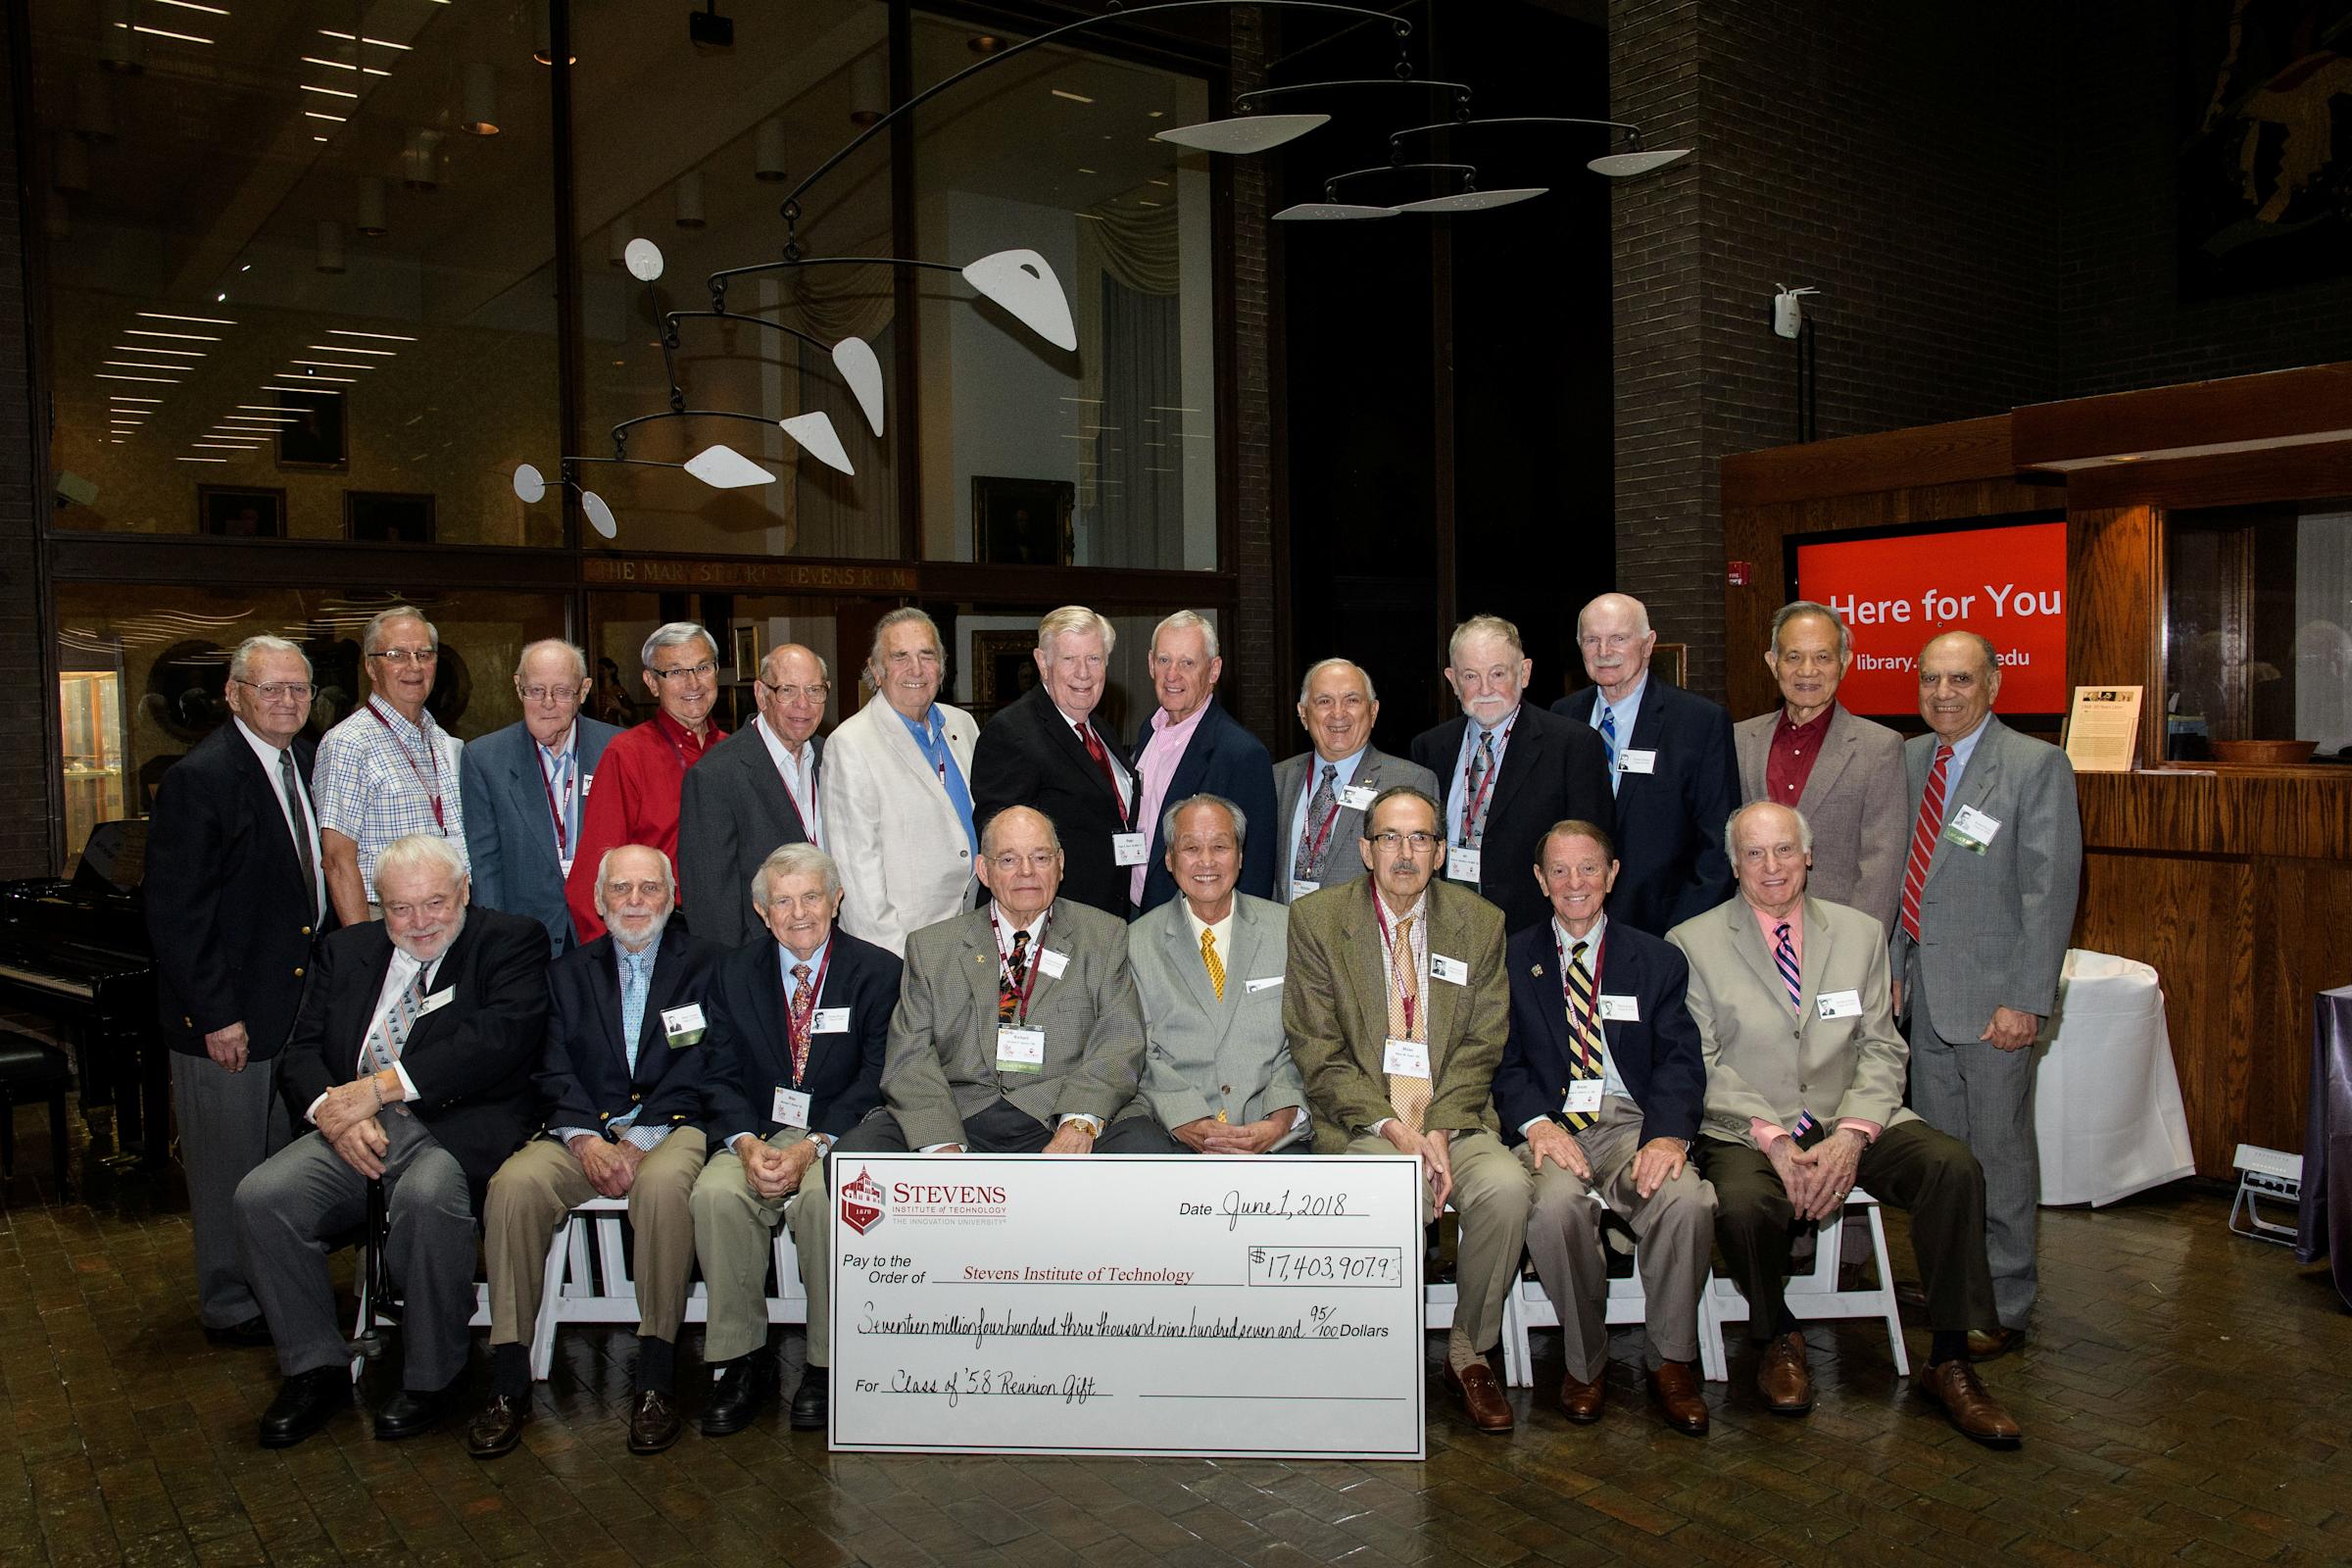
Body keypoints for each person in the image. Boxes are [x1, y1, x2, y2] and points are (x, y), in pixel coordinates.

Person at [1669, 802, 2021, 1446]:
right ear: (1734, 864)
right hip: (1750, 1123)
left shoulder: (1860, 934)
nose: (1770, 866)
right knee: (1744, 1205)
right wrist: (1774, 1141)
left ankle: (1949, 1358)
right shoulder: (1692, 943)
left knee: (1952, 1167)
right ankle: (1777, 1333)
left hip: (1848, 1111)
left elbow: (1883, 1047)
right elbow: (1703, 1064)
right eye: (1754, 853)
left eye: (1783, 851)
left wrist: (1855, 1134)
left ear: (1808, 857)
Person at [233, 835, 549, 1447]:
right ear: (379, 906)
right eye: (401, 908)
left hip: (451, 1126)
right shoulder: (346, 951)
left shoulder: (509, 941)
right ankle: (315, 1367)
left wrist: (379, 1090)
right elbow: (299, 1052)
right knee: (261, 1197)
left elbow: (498, 1040)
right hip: (351, 1129)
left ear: (464, 891)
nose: (420, 921)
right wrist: (336, 1114)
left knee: (428, 1196)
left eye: (435, 902)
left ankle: (433, 1375)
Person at [1284, 787, 1532, 1434]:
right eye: (1389, 837)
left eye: (1420, 838)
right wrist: (1397, 1131)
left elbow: (1484, 1044)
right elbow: (1319, 1051)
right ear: (1365, 849)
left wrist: (1441, 1131)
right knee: (1386, 1188)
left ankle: (1468, 1350)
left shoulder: (1480, 923)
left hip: (1456, 1118)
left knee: (1507, 1188)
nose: (1404, 852)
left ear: (1441, 851)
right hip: (1369, 1124)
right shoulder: (1317, 921)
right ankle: (1377, 1358)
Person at [467, 846, 719, 1459]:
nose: (635, 902)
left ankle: (656, 1375)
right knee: (514, 1185)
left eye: (649, 889)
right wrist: (584, 1139)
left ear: (671, 895)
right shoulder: (564, 975)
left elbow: (706, 1065)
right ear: (598, 900)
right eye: (621, 890)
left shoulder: (709, 967)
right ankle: (508, 1380)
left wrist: (641, 1140)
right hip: (581, 1133)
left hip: (672, 1125)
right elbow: (550, 1069)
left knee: (663, 1188)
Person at [1890, 631, 2082, 1357]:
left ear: (1994, 684)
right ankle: (1955, 1294)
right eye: (1931, 679)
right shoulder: (1907, 761)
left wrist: (2028, 999)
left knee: (1997, 1158)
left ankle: (2003, 1304)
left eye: (1960, 679)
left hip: (1995, 1003)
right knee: (1948, 1164)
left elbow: (2049, 891)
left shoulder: (2036, 766)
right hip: (1925, 1003)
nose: (1944, 693)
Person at [146, 634, 337, 1348]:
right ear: (233, 695)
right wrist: (215, 1016)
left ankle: (274, 1287)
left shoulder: (308, 763)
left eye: (298, 690)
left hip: (289, 1011)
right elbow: (176, 913)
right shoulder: (202, 777)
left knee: (275, 1170)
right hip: (226, 1019)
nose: (287, 701)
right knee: (228, 1169)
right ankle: (229, 1303)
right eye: (270, 689)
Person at [1494, 820, 1713, 1434]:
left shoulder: (1658, 959)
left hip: (1631, 1124)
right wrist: (1536, 1126)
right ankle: (1584, 1363)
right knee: (1554, 1210)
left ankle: (1671, 1360)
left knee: (1686, 1201)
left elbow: (1679, 1059)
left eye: (1589, 868)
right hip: (1551, 1126)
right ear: (1540, 881)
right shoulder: (1512, 958)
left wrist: (1668, 1137)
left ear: (1613, 874)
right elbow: (1501, 1062)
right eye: (1559, 871)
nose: (1575, 883)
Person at [691, 843, 898, 1436]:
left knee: (822, 1202)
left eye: (811, 896)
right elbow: (718, 1071)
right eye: (783, 901)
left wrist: (815, 1144)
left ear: (836, 899)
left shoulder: (878, 971)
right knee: (716, 1196)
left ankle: (827, 1364)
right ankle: (740, 1360)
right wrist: (745, 1145)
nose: (799, 912)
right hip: (756, 1130)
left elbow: (877, 1075)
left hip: (840, 1129)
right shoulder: (732, 974)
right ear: (762, 911)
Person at [834, 806, 1163, 1155]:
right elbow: (909, 1057)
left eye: (1040, 857)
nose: (1027, 872)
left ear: (1061, 863)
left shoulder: (1103, 935)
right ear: (984, 870)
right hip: (960, 1113)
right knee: (858, 1153)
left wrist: (1080, 1121)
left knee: (1147, 1149)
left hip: (1057, 1110)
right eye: (1008, 860)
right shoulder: (931, 947)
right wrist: (940, 1142)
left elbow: (1120, 1040)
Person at [1120, 796, 1307, 1152]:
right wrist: (1185, 1118)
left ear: (1239, 856)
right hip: (1173, 1133)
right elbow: (1138, 1049)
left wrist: (1279, 1119)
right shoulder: (1135, 942)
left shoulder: (1288, 930)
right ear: (1170, 860)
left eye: (1220, 846)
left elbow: (1304, 1038)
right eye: (1191, 848)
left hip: (1273, 1131)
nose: (1206, 861)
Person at [1410, 614, 1614, 936]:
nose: (1486, 689)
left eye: (1498, 673)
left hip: (1532, 933)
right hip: (1444, 927)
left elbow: (1593, 854)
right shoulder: (1430, 748)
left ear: (1525, 673)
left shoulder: (1573, 746)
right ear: (1452, 680)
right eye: (1471, 676)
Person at [1550, 593, 1739, 934]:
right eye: (1592, 640)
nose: (1604, 652)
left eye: (1618, 638)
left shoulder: (1698, 723)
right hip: (1571, 925)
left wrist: (1681, 935)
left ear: (1648, 644)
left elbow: (1718, 847)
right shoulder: (1561, 718)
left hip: (1666, 931)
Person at [1733, 601, 1908, 934]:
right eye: (1794, 657)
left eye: (1823, 657)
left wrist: (1857, 949)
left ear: (1844, 663)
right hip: (1749, 936)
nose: (1807, 671)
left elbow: (1881, 867)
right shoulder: (1738, 740)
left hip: (1838, 933)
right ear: (1773, 663)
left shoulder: (1879, 748)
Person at [818, 609, 980, 956]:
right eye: (900, 656)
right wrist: (896, 961)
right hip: (905, 947)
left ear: (942, 665)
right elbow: (856, 877)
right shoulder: (851, 745)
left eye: (927, 655)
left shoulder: (963, 725)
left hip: (974, 934)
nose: (916, 669)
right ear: (876, 670)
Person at [969, 607, 1138, 920]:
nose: (1083, 673)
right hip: (1052, 924)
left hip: (1106, 917)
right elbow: (1003, 852)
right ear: (1043, 663)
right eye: (1069, 659)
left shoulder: (1100, 728)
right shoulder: (1011, 733)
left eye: (1094, 659)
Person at [564, 623, 727, 943]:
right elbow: (593, 872)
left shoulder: (735, 751)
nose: (693, 683)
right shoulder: (627, 754)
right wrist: (610, 965)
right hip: (657, 933)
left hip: (729, 931)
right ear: (652, 682)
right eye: (676, 672)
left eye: (703, 668)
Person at [461, 640, 621, 956]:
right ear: (518, 687)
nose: (547, 703)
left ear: (584, 691)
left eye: (562, 692)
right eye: (536, 690)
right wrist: (495, 944)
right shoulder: (484, 758)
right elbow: (485, 863)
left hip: (607, 932)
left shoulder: (618, 748)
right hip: (523, 939)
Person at [313, 605, 467, 923]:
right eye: (396, 655)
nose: (414, 667)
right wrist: (361, 951)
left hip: (449, 917)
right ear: (371, 667)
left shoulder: (440, 739)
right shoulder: (348, 743)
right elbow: (337, 860)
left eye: (424, 655)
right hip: (386, 921)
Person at [676, 642, 830, 950]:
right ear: (761, 695)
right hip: (758, 959)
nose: (803, 704)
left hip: (830, 949)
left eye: (814, 690)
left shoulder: (832, 757)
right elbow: (711, 903)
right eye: (787, 690)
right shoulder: (715, 775)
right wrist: (734, 976)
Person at [1127, 611, 1278, 914]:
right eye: (1164, 660)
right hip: (1134, 916)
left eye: (1187, 663)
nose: (1172, 675)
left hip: (1194, 926)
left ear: (1213, 670)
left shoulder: (1242, 754)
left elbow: (1255, 870)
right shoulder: (1148, 731)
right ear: (1150, 664)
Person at [1271, 658, 1439, 903]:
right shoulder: (1277, 779)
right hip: (1285, 932)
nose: (1338, 713)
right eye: (1324, 701)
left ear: (1373, 712)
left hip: (1368, 937)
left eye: (1352, 700)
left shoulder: (1412, 782)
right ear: (1304, 714)